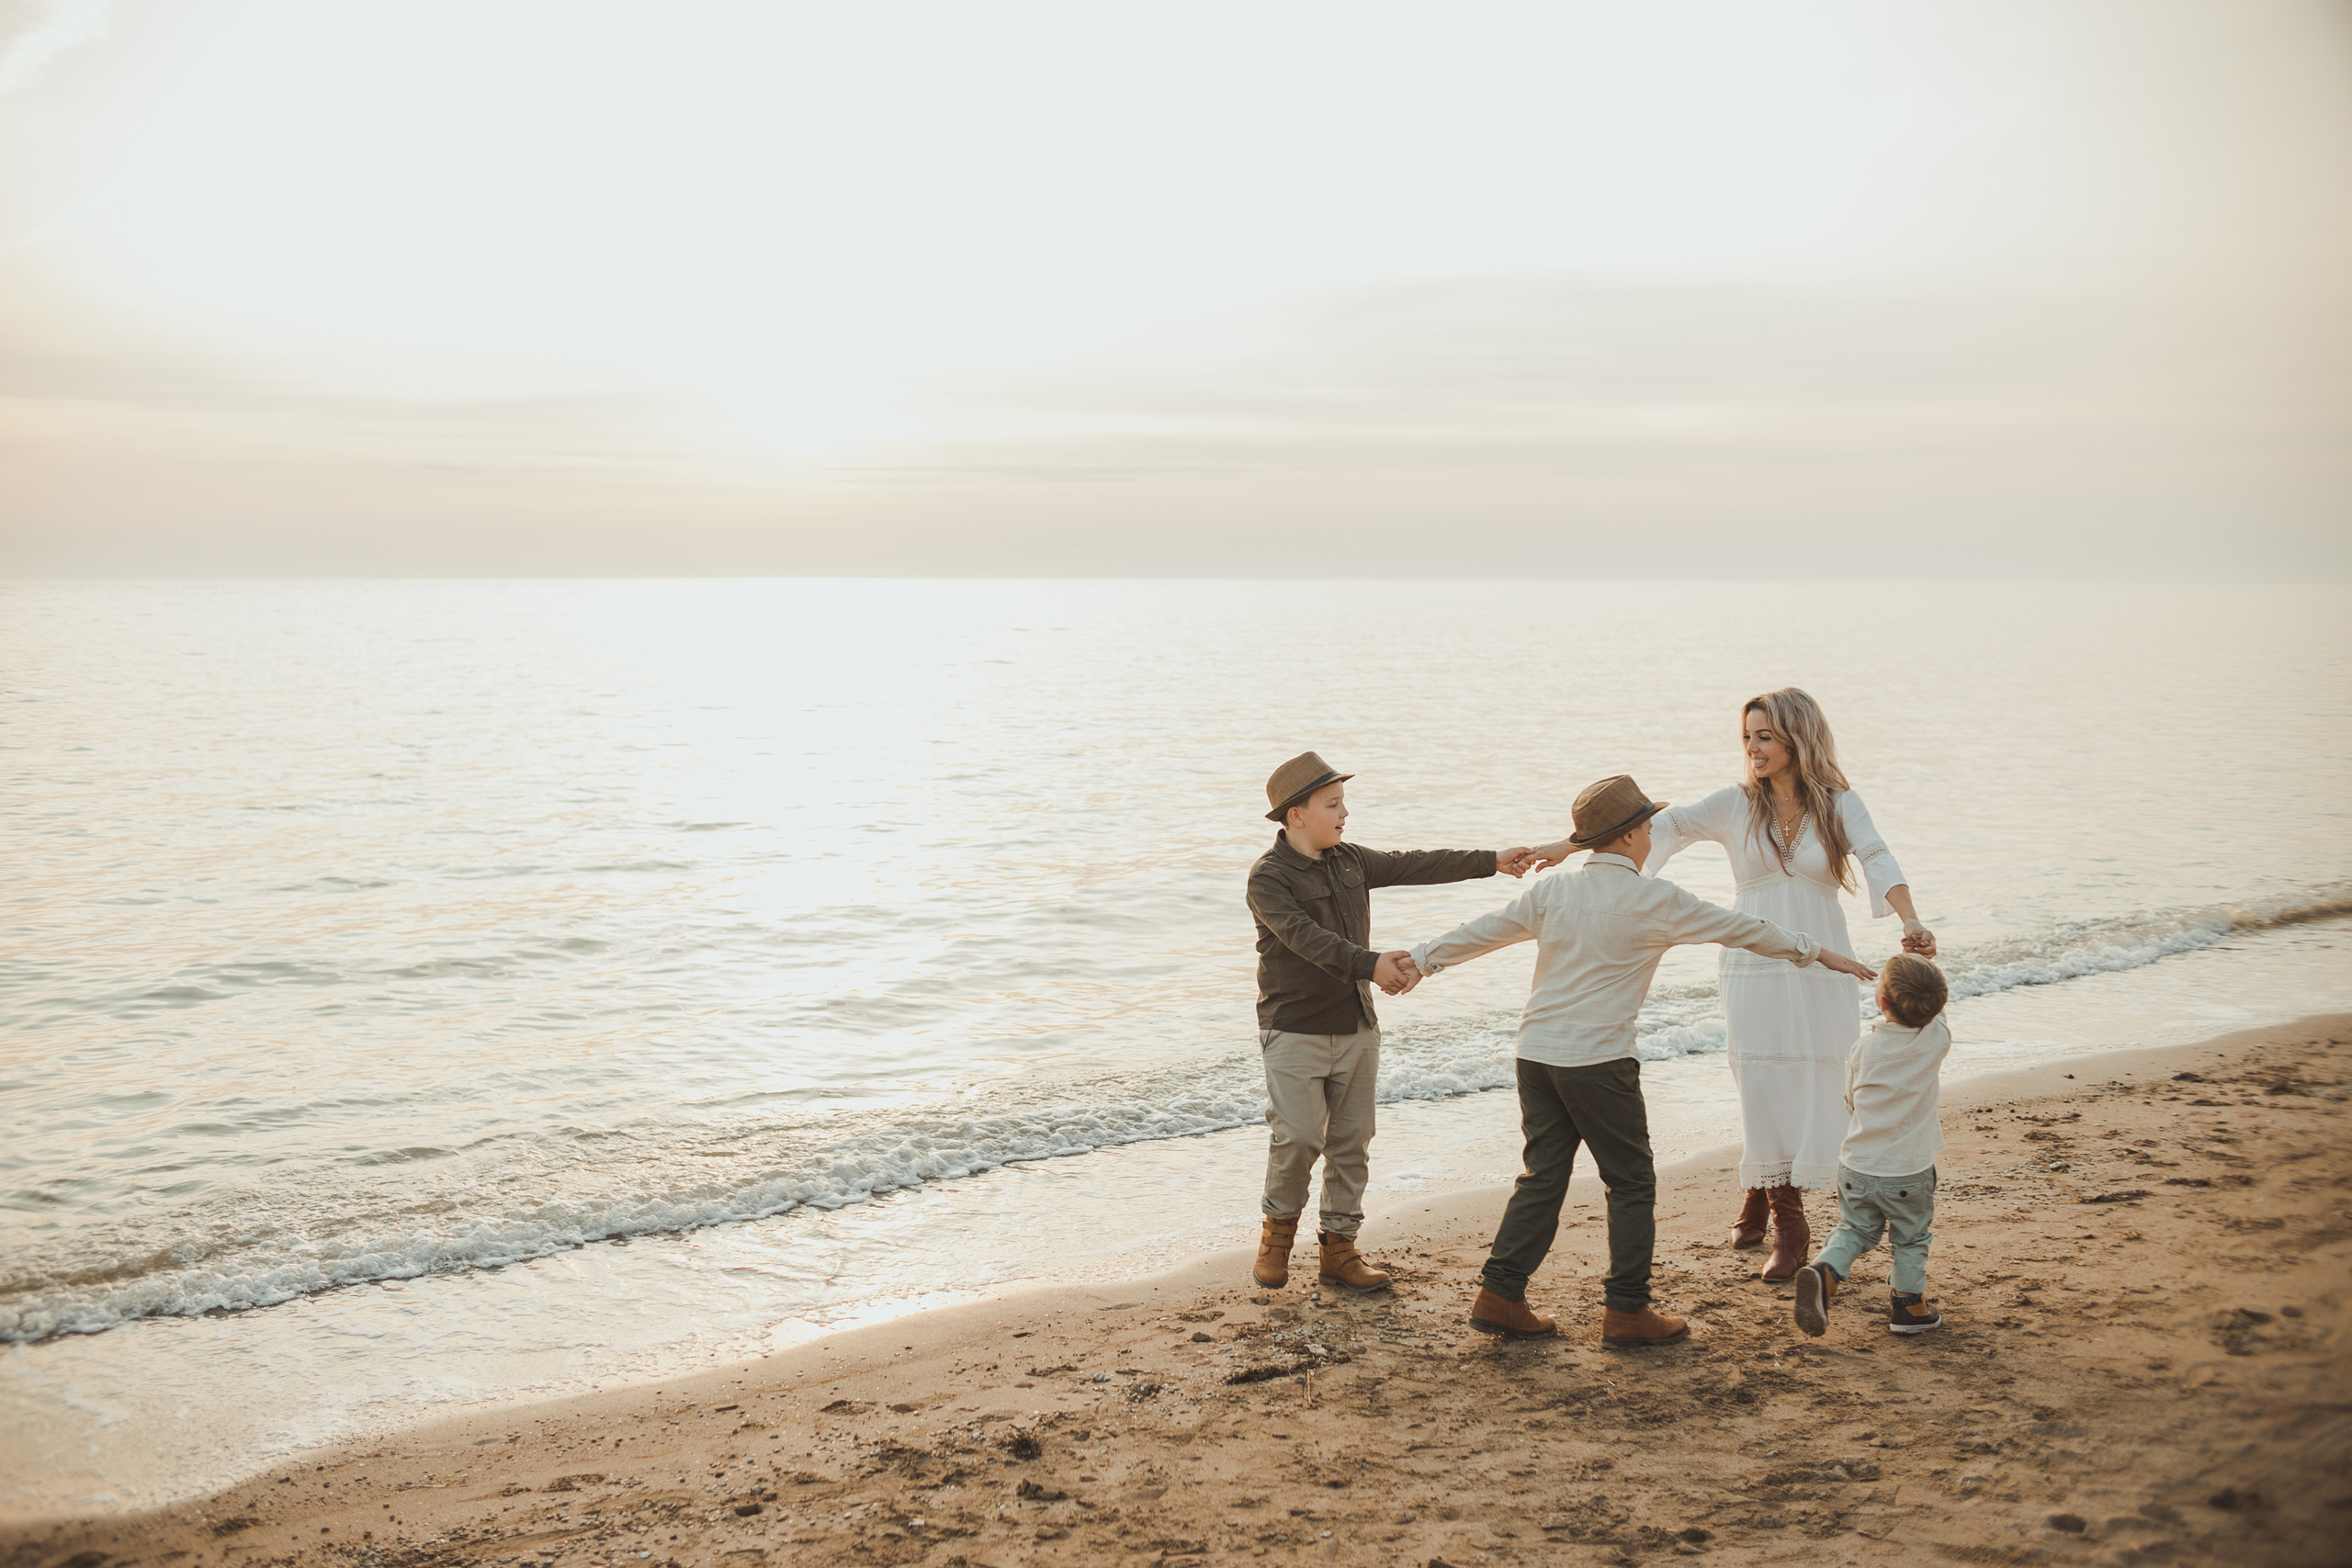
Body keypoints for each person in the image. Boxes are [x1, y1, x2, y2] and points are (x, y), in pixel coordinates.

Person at [1404, 774, 1878, 1344]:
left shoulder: (1552, 893)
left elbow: (1481, 933)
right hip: (1599, 1063)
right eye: (1649, 828)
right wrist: (1821, 952)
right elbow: (1748, 930)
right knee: (1630, 1183)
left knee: (1542, 1178)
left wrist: (1419, 961)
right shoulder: (1658, 901)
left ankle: (1500, 1294)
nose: (1653, 836)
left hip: (1536, 1057)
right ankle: (1627, 1310)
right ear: (1630, 838)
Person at [1532, 688, 1933, 1284]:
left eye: (1765, 735)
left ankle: (1759, 1191)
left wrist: (1909, 919)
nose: (1752, 747)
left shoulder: (1838, 804)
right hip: (1753, 962)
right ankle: (1789, 1221)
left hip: (1824, 960)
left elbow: (1877, 855)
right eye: (1747, 736)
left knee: (1821, 1081)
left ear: (1798, 736)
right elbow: (1653, 825)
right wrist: (1566, 846)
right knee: (1763, 1081)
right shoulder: (1735, 805)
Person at [1245, 751, 1540, 1292]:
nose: (1345, 813)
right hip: (1293, 1029)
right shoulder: (1268, 879)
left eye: (1343, 803)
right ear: (1296, 816)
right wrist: (1372, 964)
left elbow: (1415, 864)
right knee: (1299, 1136)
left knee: (1353, 1140)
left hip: (1356, 1025)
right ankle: (1277, 1236)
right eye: (1332, 804)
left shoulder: (1351, 860)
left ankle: (1339, 1250)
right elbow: (1307, 941)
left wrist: (1492, 859)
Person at [1794, 953, 1951, 1337]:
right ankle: (1908, 1307)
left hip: (1857, 1166)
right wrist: (1920, 954)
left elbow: (1850, 1100)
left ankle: (1826, 1269)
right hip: (1908, 1171)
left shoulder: (1863, 1049)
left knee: (1855, 1229)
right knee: (1911, 1237)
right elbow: (1938, 1014)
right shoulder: (1937, 1039)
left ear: (1881, 1002)